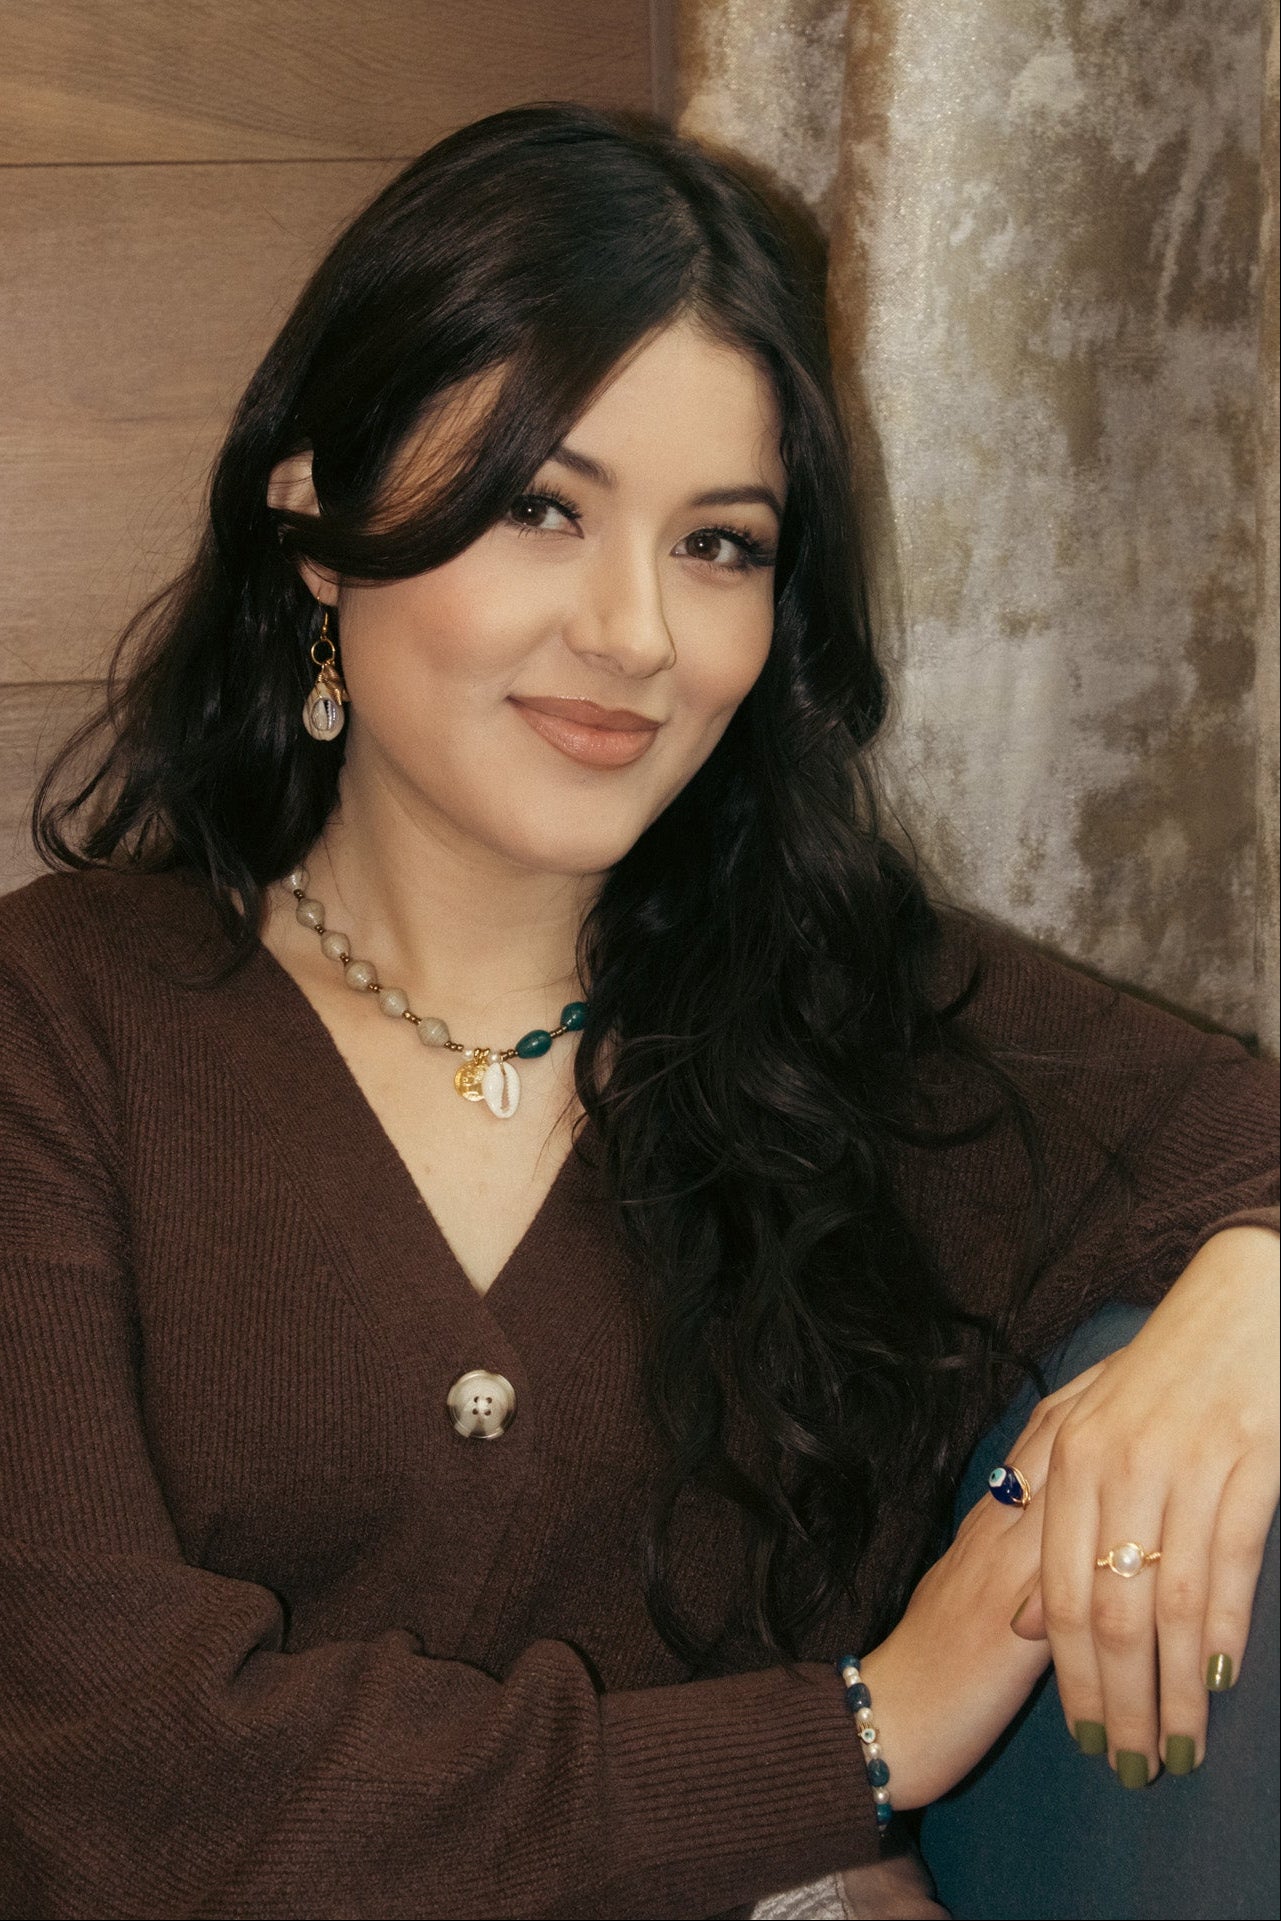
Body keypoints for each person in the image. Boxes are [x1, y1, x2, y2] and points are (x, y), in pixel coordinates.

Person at [0, 104, 1275, 1921]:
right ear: (315, 524)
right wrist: (854, 1740)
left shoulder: (857, 1019)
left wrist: (1249, 1304)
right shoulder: (60, 1027)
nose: (635, 634)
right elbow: (111, 1786)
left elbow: (1239, 1147)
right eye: (543, 509)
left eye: (720, 546)